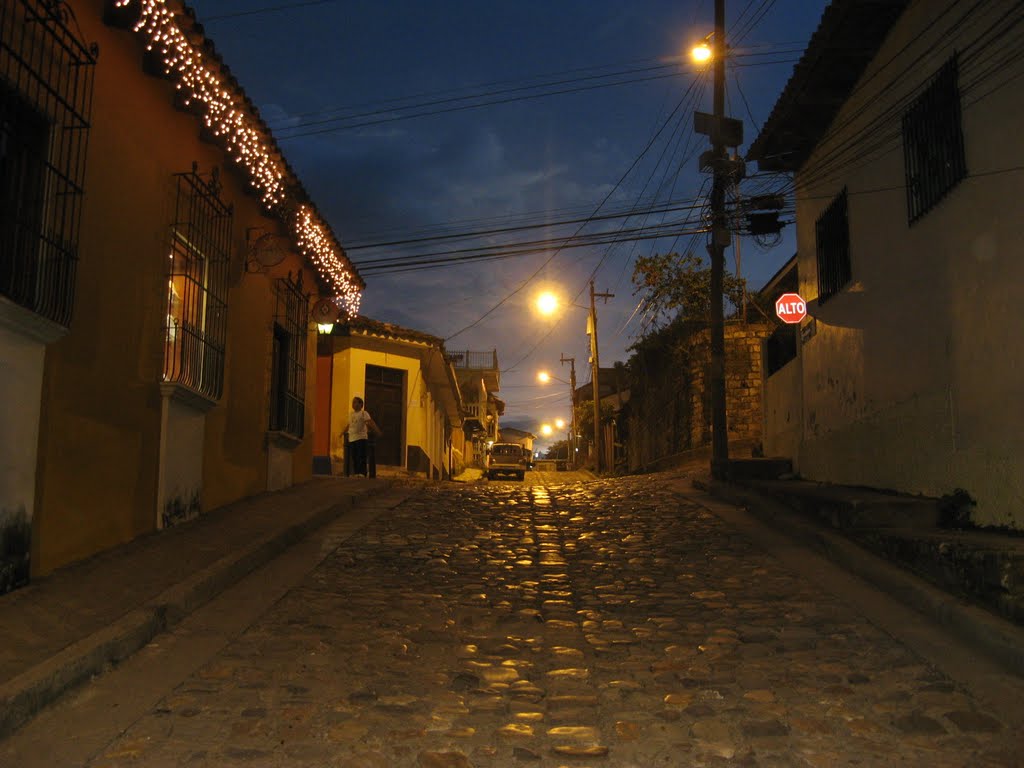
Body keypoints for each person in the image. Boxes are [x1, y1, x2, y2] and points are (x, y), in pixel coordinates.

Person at [347, 396, 381, 476]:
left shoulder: (364, 413)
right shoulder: (351, 414)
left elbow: (370, 422)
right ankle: (356, 472)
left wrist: (377, 431)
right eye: (353, 402)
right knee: (354, 456)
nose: (353, 404)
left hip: (361, 438)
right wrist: (342, 433)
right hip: (352, 438)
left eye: (355, 402)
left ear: (361, 404)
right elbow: (349, 425)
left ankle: (362, 473)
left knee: (361, 456)